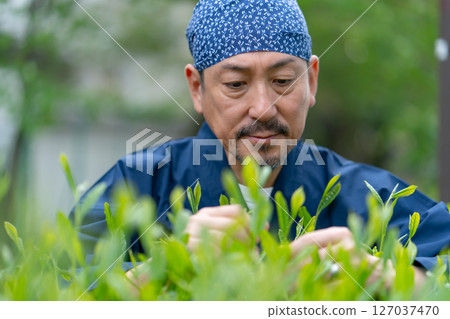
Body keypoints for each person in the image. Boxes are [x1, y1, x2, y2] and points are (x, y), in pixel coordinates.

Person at [71, 0, 450, 286]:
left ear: (311, 81)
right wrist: (161, 267)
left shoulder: (367, 196)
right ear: (197, 89)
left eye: (283, 80)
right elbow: (54, 287)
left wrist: (377, 274)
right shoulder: (137, 185)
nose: (262, 108)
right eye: (235, 85)